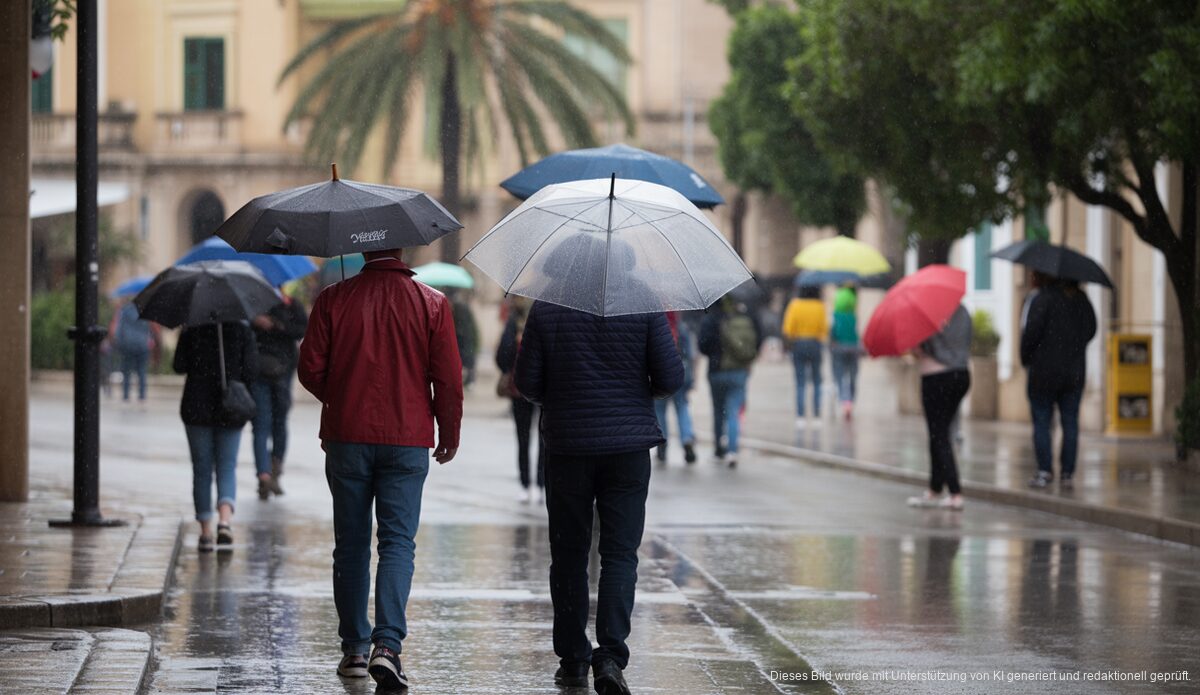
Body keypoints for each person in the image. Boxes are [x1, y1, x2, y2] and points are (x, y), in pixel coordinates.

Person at [298, 248, 462, 690]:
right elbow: (447, 377)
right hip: (408, 439)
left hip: (347, 436)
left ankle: (354, 648)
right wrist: (449, 432)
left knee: (350, 544)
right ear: (403, 249)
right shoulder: (432, 303)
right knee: (396, 543)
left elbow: (310, 367)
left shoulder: (333, 299)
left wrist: (341, 396)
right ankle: (387, 647)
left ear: (364, 248)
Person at [515, 298, 683, 695]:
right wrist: (635, 390)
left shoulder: (549, 307)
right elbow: (671, 378)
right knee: (620, 554)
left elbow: (527, 383)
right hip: (627, 448)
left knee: (569, 554)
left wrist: (560, 397)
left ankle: (573, 658)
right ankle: (609, 655)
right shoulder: (643, 305)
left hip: (569, 445)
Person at [174, 320, 257, 552]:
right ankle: (224, 521)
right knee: (227, 466)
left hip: (196, 408)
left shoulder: (192, 327)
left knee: (201, 470)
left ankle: (206, 532)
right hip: (230, 408)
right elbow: (251, 370)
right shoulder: (242, 329)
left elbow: (179, 365)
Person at [1021, 274, 1097, 489]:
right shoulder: (1082, 301)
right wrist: (1073, 346)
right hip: (1073, 373)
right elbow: (1091, 329)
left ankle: (1045, 471)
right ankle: (1067, 473)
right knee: (1070, 422)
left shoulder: (1043, 299)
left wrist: (1026, 358)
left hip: (1043, 373)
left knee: (1042, 422)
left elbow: (1031, 334)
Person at [907, 304, 972, 510]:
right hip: (961, 375)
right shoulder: (963, 312)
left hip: (936, 377)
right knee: (940, 433)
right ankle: (935, 488)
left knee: (939, 434)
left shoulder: (928, 314)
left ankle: (954, 491)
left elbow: (920, 349)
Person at [249, 293, 308, 500]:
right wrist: (256, 322)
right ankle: (263, 475)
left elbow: (302, 330)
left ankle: (274, 472)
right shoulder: (253, 303)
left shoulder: (291, 304)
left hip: (283, 372)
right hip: (259, 372)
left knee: (279, 424)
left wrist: (277, 324)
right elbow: (243, 329)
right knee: (261, 424)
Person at [699, 296, 764, 468]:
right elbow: (757, 339)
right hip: (739, 371)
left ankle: (719, 450)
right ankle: (732, 451)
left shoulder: (711, 319)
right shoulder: (745, 316)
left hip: (716, 371)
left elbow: (702, 346)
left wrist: (715, 351)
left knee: (718, 411)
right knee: (733, 412)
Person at [495, 296, 544, 503]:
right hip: (532, 389)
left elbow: (502, 355)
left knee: (532, 438)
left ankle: (532, 484)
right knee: (534, 438)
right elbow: (502, 356)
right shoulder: (533, 317)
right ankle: (534, 484)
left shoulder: (525, 319)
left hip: (530, 388)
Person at [781, 285, 827, 427]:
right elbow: (824, 329)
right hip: (815, 343)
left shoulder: (795, 305)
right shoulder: (819, 306)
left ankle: (800, 416)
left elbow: (787, 329)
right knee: (816, 381)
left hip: (799, 343)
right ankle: (816, 415)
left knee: (800, 381)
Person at [655, 312, 698, 465]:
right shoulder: (682, 328)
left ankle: (662, 443)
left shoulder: (657, 327)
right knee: (682, 408)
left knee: (660, 410)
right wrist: (693, 378)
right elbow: (691, 355)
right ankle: (687, 438)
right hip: (681, 373)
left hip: (660, 372)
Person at [112, 300, 159, 404]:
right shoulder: (145, 311)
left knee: (126, 371)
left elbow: (119, 329)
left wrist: (119, 343)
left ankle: (126, 395)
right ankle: (142, 396)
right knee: (142, 371)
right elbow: (150, 329)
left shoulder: (124, 311)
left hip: (128, 344)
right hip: (142, 345)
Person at [829, 285, 861, 420]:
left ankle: (845, 401)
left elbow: (833, 333)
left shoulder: (836, 316)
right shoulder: (853, 316)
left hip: (839, 348)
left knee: (840, 375)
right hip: (853, 348)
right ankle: (851, 401)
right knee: (852, 375)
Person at [451, 291, 479, 388]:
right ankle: (469, 380)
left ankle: (468, 379)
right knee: (468, 361)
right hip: (466, 341)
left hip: (463, 341)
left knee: (465, 361)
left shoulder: (459, 310)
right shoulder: (465, 309)